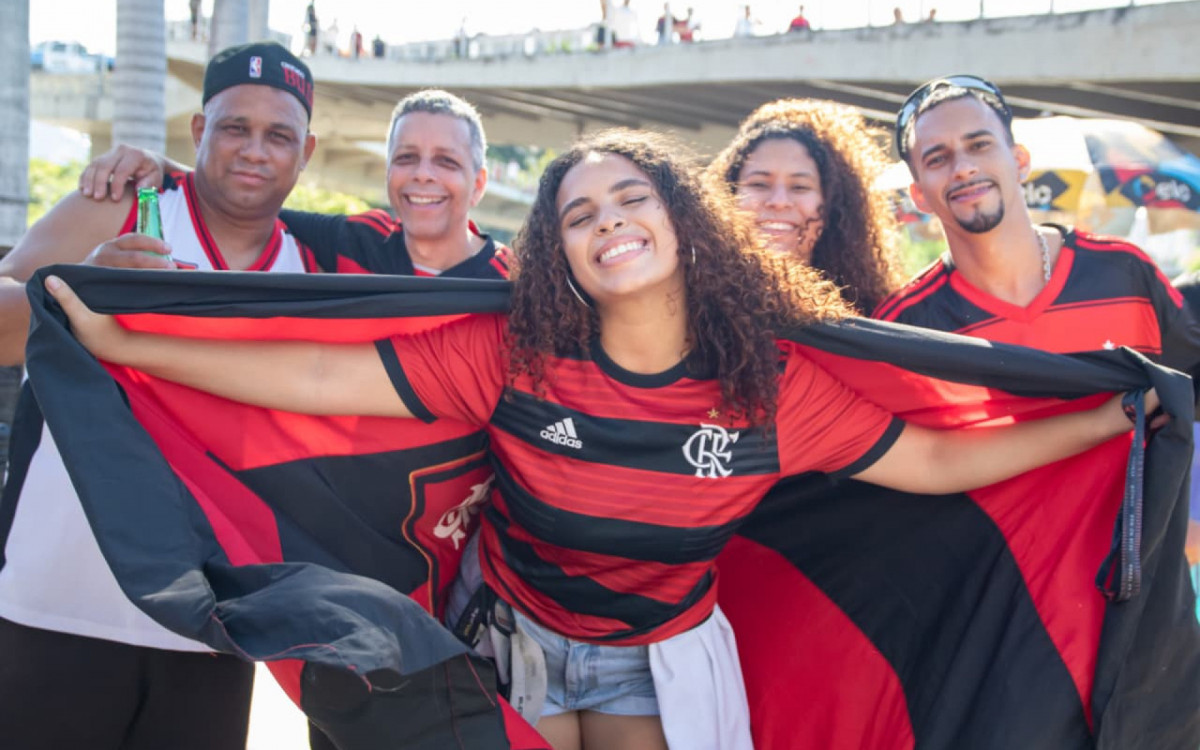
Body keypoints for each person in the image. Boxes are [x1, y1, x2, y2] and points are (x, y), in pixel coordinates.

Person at [47, 128, 1157, 750]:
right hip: (515, 635)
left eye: (630, 199)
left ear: (684, 221)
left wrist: (1112, 415)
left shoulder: (774, 386)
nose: (608, 222)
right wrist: (131, 346)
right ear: (560, 252)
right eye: (577, 215)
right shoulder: (515, 354)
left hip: (656, 657)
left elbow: (943, 462)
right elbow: (319, 372)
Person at [79, 88, 513, 750]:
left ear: (479, 180)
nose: (424, 175)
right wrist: (157, 167)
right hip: (346, 589)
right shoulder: (349, 243)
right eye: (407, 157)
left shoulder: (514, 284)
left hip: (470, 580)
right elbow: (244, 192)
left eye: (446, 161)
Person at [0, 41, 316, 750]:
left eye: (279, 135)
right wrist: (77, 285)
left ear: (308, 152)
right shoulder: (120, 204)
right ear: (200, 131)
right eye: (234, 127)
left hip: (210, 626)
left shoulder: (310, 263)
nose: (254, 151)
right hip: (57, 608)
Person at [874, 74, 1200, 700]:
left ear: (1017, 160)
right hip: (1004, 641)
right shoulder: (908, 330)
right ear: (919, 193)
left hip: (1145, 621)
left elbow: (1188, 389)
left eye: (979, 145)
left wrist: (1189, 523)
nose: (963, 167)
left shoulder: (1124, 273)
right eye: (938, 158)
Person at [706, 98, 904, 314]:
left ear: (833, 204)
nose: (779, 202)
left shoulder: (882, 315)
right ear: (728, 194)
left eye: (799, 187)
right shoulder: (691, 307)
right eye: (759, 184)